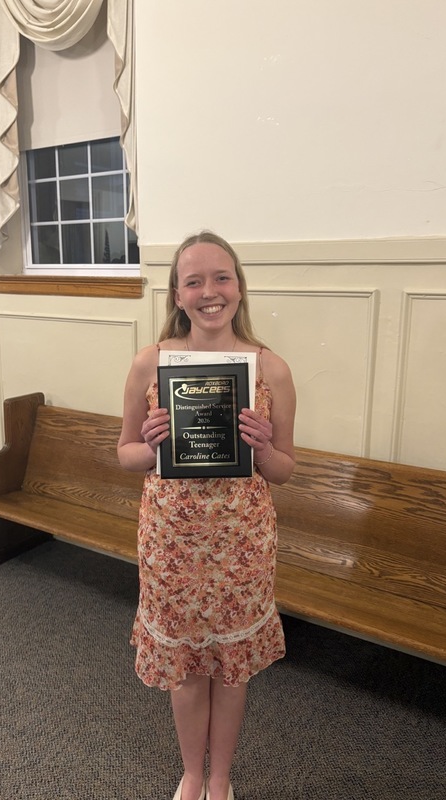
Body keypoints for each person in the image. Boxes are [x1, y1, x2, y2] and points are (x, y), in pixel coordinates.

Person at [117, 231, 297, 800]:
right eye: (193, 281)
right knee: (189, 669)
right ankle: (193, 773)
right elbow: (124, 454)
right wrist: (149, 445)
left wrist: (265, 449)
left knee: (231, 668)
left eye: (221, 277)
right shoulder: (150, 364)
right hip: (171, 542)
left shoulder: (271, 370)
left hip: (242, 541)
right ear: (176, 294)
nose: (209, 291)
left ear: (239, 286)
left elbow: (286, 468)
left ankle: (221, 778)